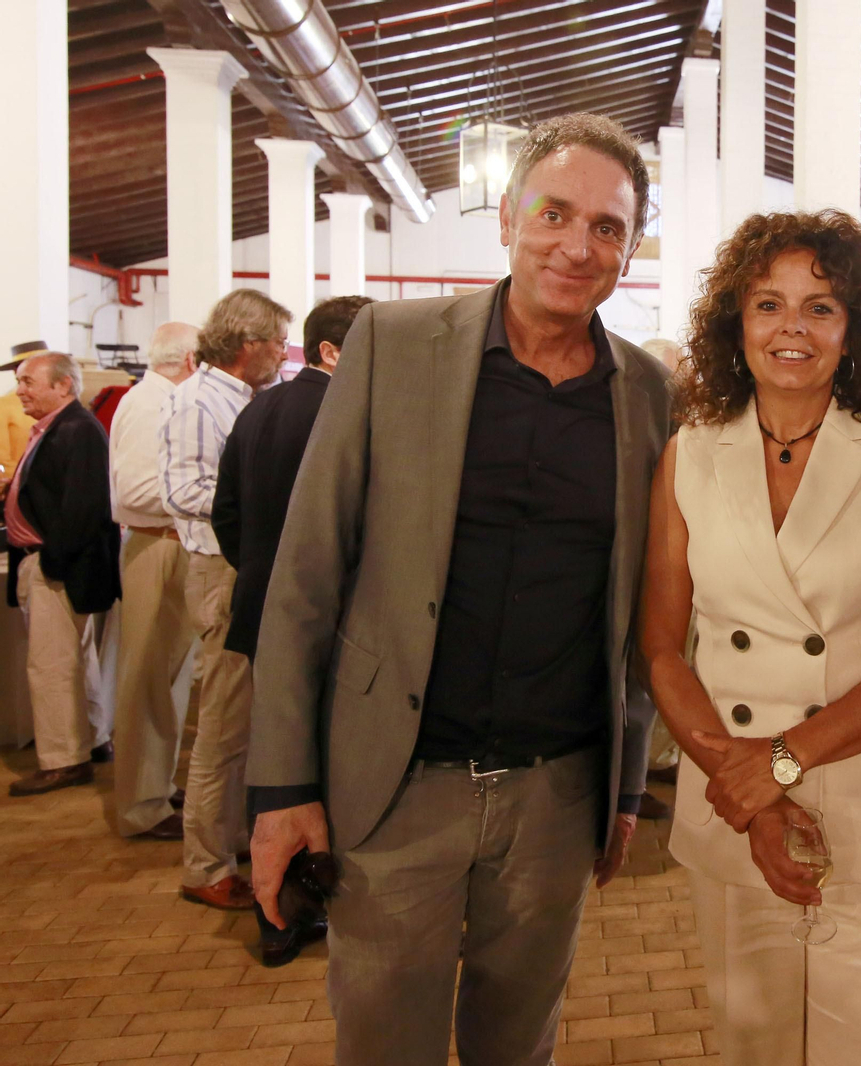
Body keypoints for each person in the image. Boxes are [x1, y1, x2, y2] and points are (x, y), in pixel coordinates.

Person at [245, 112, 672, 1066]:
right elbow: (306, 576)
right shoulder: (394, 346)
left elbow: (641, 613)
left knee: (518, 1045)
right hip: (394, 789)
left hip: (556, 798)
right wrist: (282, 787)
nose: (577, 244)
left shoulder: (647, 395)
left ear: (631, 250)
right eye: (555, 213)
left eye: (607, 228)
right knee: (384, 1043)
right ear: (510, 216)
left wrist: (627, 781)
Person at [639, 210, 861, 1066]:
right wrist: (744, 790)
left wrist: (776, 764)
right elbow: (663, 645)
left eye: (820, 307)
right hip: (733, 802)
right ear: (733, 323)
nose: (792, 329)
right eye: (768, 304)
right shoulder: (690, 455)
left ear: (852, 329)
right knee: (755, 1044)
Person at [161, 289, 291, 910]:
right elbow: (184, 488)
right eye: (276, 343)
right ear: (247, 345)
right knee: (221, 725)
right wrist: (255, 498)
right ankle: (205, 865)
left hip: (244, 560)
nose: (281, 353)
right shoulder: (198, 401)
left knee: (244, 720)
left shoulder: (247, 399)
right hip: (219, 567)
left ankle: (232, 840)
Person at [214, 295, 373, 661]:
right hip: (324, 609)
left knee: (270, 714)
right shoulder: (345, 413)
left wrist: (259, 568)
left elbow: (225, 512)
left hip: (260, 599)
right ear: (331, 353)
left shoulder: (260, 404)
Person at [3, 352, 121, 796]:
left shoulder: (76, 430)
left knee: (50, 667)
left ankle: (62, 761)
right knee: (76, 660)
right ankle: (91, 741)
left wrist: (53, 559)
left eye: (29, 381)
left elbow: (85, 508)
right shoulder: (60, 427)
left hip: (60, 568)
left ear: (63, 387)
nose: (20, 390)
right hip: (53, 564)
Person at [109, 322, 200, 839]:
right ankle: (142, 805)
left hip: (170, 543)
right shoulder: (151, 404)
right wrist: (207, 495)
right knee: (147, 680)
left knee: (166, 679)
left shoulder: (156, 398)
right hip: (158, 545)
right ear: (189, 360)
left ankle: (157, 787)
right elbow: (139, 490)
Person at [0, 341, 46, 477]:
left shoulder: (61, 405)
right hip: (21, 488)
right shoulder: (5, 405)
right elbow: (2, 461)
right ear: (17, 371)